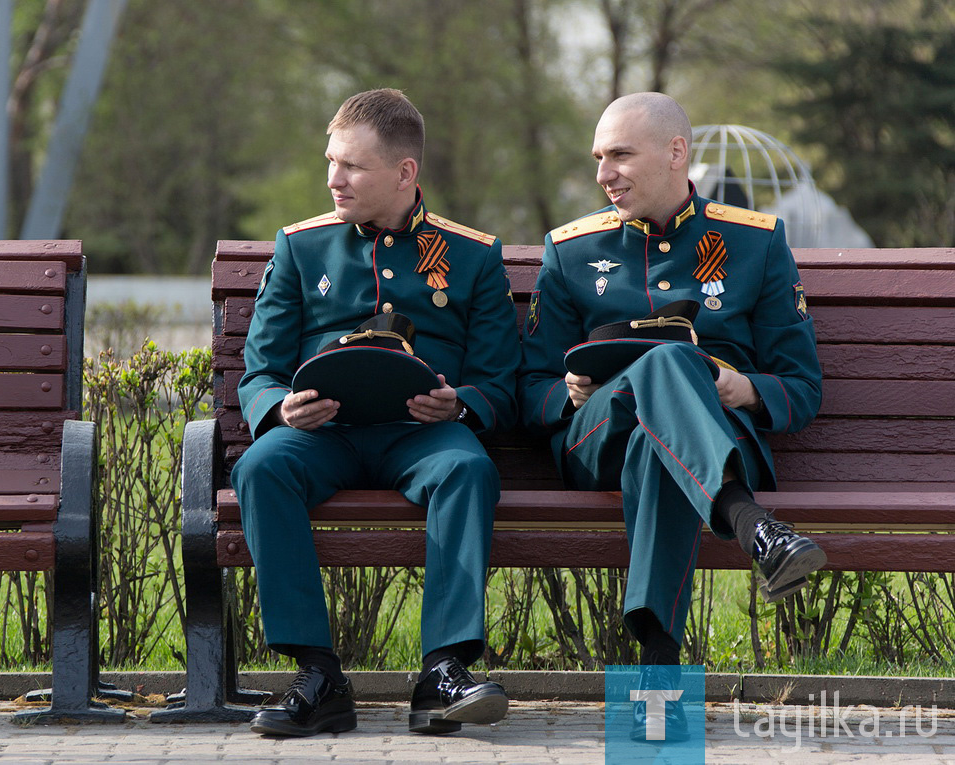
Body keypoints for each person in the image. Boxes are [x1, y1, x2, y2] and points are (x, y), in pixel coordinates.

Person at [518, 92, 825, 739]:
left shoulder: (754, 243)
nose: (605, 173)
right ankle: (753, 525)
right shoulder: (570, 251)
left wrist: (740, 386)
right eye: (599, 158)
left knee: (660, 428)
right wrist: (568, 389)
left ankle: (657, 674)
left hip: (704, 434)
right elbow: (529, 388)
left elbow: (800, 385)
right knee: (663, 362)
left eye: (621, 155)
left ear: (676, 152)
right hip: (595, 436)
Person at [232, 89, 519, 737]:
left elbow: (500, 381)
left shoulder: (472, 255)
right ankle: (318, 675)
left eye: (353, 167)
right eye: (331, 162)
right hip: (321, 434)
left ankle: (443, 673)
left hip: (423, 434)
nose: (334, 179)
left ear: (405, 173)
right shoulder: (303, 248)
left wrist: (461, 402)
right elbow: (261, 369)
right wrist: (281, 406)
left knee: (467, 470)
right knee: (260, 467)